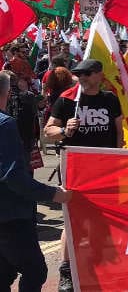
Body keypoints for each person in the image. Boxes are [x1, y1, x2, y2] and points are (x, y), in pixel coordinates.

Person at [43, 59, 123, 292]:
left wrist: (117, 159)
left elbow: (118, 132)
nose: (83, 78)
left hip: (104, 169)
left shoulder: (110, 99)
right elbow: (48, 132)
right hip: (75, 172)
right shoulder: (67, 100)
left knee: (101, 219)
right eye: (79, 74)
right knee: (72, 220)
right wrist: (64, 130)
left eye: (87, 73)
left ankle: (96, 264)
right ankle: (66, 271)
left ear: (99, 74)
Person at [0, 71, 73, 292]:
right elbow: (13, 176)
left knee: (4, 272)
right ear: (7, 92)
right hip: (10, 214)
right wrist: (53, 194)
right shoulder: (5, 125)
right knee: (35, 270)